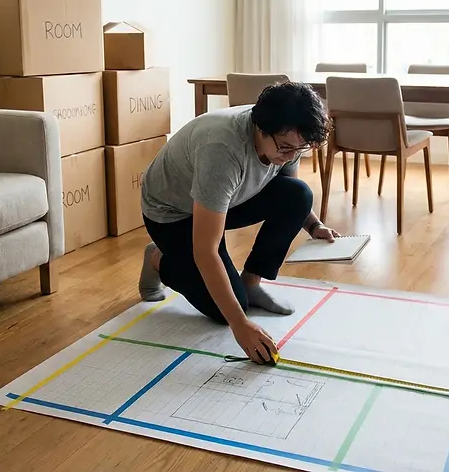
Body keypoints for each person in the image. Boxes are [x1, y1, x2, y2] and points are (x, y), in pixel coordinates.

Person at [137, 81, 340, 364]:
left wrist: (314, 226)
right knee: (227, 310)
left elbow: (289, 189)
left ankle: (251, 282)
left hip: (223, 198)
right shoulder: (221, 150)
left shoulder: (287, 136)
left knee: (299, 195)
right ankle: (159, 258)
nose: (291, 156)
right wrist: (240, 325)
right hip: (174, 213)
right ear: (260, 128)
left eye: (300, 149)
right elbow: (205, 251)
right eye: (286, 148)